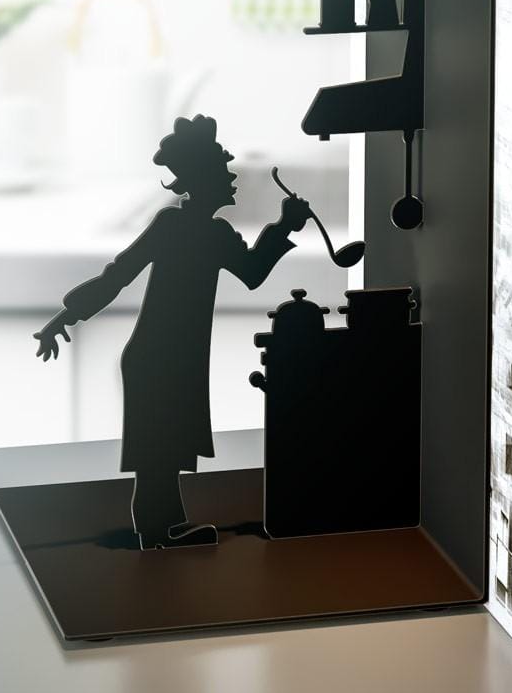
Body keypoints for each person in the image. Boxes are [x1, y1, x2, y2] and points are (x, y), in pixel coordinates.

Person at [33, 115, 310, 549]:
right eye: (223, 169)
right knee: (157, 453)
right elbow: (118, 275)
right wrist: (66, 317)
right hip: (157, 358)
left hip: (175, 359)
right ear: (204, 177)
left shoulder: (211, 232)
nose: (232, 176)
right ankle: (156, 532)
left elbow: (251, 273)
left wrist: (284, 227)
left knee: (169, 448)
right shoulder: (177, 226)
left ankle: (166, 527)